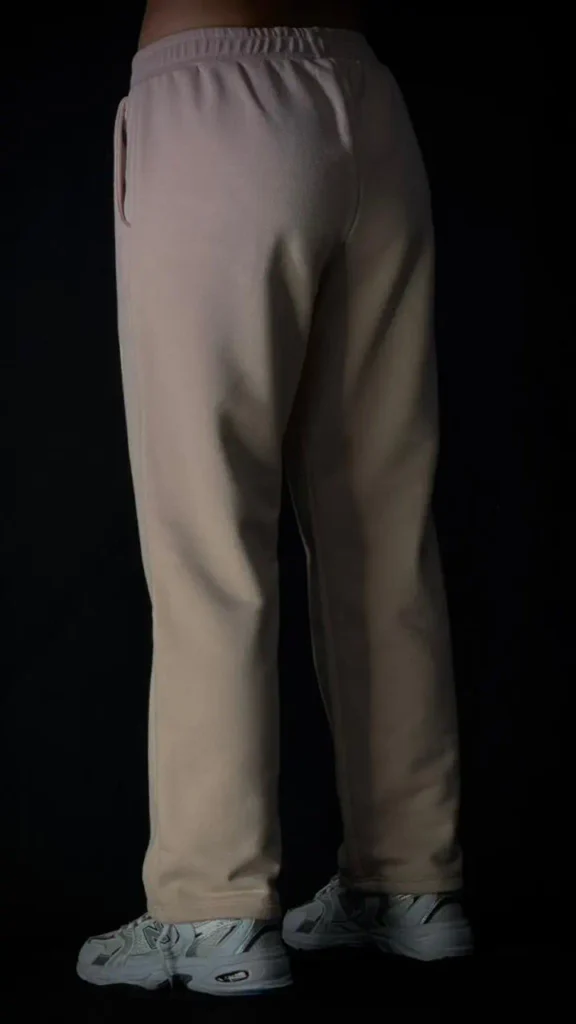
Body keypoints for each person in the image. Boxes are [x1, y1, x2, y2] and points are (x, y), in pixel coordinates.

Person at [77, 0, 473, 997]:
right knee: (383, 538)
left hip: (213, 100)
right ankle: (411, 883)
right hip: (368, 104)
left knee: (209, 539)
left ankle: (212, 908)